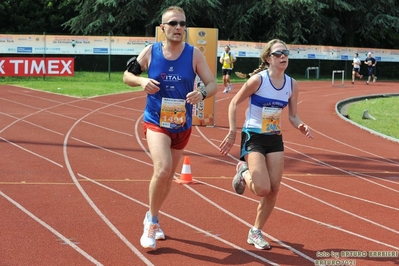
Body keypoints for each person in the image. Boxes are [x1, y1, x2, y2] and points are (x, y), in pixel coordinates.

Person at [123, 6, 217, 250]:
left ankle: (152, 214)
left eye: (182, 24)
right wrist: (142, 80)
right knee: (163, 169)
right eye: (173, 23)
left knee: (166, 179)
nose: (178, 28)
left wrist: (202, 93)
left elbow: (212, 83)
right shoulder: (151, 52)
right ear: (162, 28)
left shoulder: (194, 54)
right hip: (156, 121)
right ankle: (151, 222)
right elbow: (127, 76)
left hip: (182, 125)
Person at [219, 39, 313, 250]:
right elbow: (234, 103)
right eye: (278, 53)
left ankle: (256, 232)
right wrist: (233, 132)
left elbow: (293, 115)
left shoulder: (291, 84)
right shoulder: (258, 81)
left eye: (285, 53)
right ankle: (243, 171)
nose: (283, 57)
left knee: (274, 189)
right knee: (262, 188)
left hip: (274, 137)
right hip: (254, 135)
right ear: (268, 58)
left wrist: (301, 126)